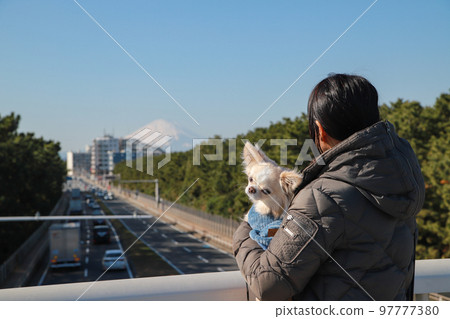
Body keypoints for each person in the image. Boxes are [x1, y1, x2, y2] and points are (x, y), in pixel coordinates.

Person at [233, 73, 425, 301]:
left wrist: (246, 229)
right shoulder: (400, 180)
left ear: (320, 129)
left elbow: (268, 284)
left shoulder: (322, 197)